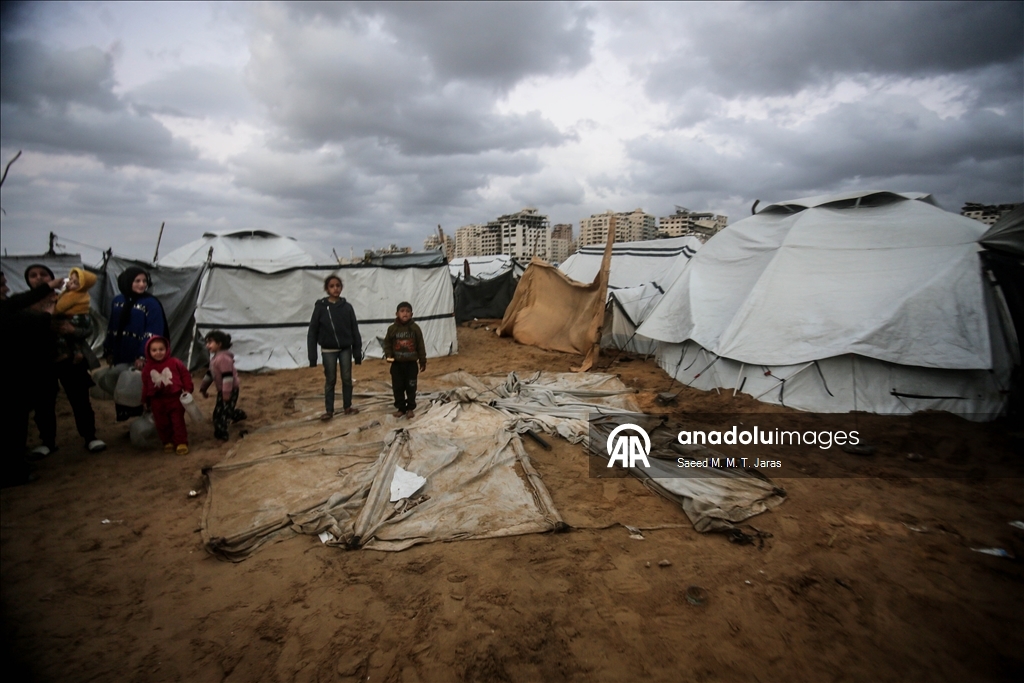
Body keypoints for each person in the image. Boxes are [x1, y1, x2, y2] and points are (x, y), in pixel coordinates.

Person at [1, 271, 64, 486]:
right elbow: (17, 319)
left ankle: (16, 464)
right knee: (12, 425)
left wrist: (49, 288)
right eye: (1, 286)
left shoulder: (12, 304)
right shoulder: (15, 316)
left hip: (22, 376)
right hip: (10, 380)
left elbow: (16, 303)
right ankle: (14, 471)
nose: (6, 289)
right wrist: (47, 315)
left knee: (17, 423)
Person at [105, 267, 169, 421]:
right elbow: (112, 326)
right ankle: (132, 422)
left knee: (144, 388)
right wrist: (109, 350)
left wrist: (143, 355)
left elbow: (153, 331)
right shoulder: (118, 301)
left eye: (144, 281)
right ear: (127, 282)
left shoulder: (151, 303)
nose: (142, 285)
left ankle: (149, 426)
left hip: (142, 354)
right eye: (137, 281)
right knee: (126, 387)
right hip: (122, 351)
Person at [53, 267, 106, 453]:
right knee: (45, 402)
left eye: (76, 282)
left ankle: (89, 436)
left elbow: (86, 328)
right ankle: (47, 441)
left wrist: (72, 331)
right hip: (48, 358)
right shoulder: (56, 299)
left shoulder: (80, 302)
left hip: (72, 358)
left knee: (80, 400)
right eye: (71, 280)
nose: (72, 284)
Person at [307, 274, 362, 420]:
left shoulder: (347, 307)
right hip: (328, 350)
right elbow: (312, 331)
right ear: (327, 289)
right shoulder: (320, 308)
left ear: (341, 288)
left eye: (338, 286)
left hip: (345, 348)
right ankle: (329, 410)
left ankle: (347, 406)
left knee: (347, 378)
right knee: (330, 379)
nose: (335, 288)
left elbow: (354, 329)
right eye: (332, 286)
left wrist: (357, 354)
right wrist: (312, 357)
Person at [140, 335, 192, 455]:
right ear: (149, 351)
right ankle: (167, 441)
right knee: (162, 422)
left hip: (174, 398)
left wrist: (188, 389)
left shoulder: (175, 362)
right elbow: (146, 385)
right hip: (157, 400)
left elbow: (185, 375)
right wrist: (145, 400)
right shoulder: (147, 368)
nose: (158, 353)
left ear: (167, 349)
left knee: (177, 421)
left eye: (161, 349)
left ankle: (181, 442)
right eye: (154, 350)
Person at [200, 330, 247, 441]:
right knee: (224, 411)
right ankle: (239, 414)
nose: (207, 345)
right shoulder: (215, 358)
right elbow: (211, 374)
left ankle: (222, 436)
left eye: (210, 342)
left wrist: (226, 393)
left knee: (221, 414)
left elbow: (228, 377)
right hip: (223, 390)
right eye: (207, 342)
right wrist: (203, 388)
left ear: (219, 344)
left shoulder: (223, 359)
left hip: (230, 389)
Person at [383, 301, 426, 419]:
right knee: (398, 387)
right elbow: (387, 344)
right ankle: (401, 408)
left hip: (411, 364)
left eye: (407, 311)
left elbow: (420, 345)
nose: (405, 314)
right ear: (397, 313)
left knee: (411, 387)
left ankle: (410, 408)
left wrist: (423, 360)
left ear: (412, 314)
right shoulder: (392, 329)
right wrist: (389, 355)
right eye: (402, 311)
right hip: (397, 364)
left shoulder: (415, 329)